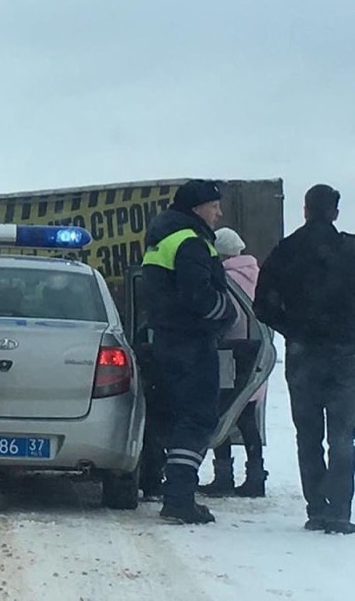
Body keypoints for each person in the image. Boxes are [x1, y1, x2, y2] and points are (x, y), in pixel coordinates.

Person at [253, 184, 355, 534]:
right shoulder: (351, 250)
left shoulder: (285, 251)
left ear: (306, 210)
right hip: (346, 354)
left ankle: (316, 508)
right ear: (335, 213)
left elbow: (262, 306)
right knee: (342, 435)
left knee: (308, 434)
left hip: (303, 353)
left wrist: (291, 329)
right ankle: (339, 511)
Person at [141, 179, 236, 524]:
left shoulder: (162, 238)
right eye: (214, 206)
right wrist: (227, 311)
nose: (218, 213)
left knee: (174, 417)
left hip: (167, 340)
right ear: (197, 208)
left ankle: (166, 487)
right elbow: (198, 297)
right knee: (197, 418)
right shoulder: (191, 242)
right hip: (192, 343)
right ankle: (179, 499)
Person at [198, 227, 268, 498]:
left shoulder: (224, 279)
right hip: (256, 354)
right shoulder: (257, 275)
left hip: (228, 352)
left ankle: (223, 475)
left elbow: (223, 315)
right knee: (248, 417)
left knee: (222, 414)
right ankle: (256, 476)